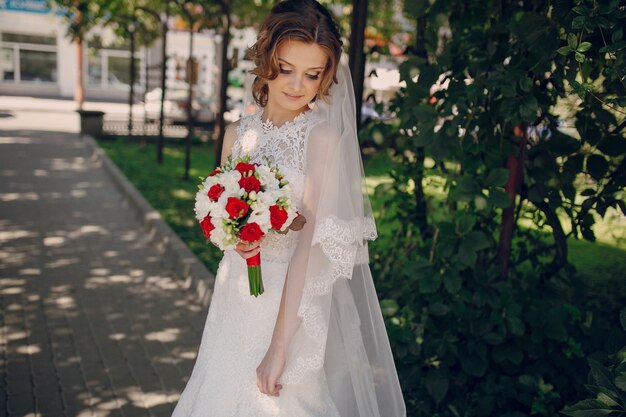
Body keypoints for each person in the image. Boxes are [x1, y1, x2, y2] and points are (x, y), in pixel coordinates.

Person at [172, 1, 406, 416]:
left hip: (287, 305)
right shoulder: (236, 134)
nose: (298, 85)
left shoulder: (321, 139)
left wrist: (280, 345)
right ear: (266, 62)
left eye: (312, 74)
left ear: (327, 75)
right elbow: (221, 219)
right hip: (235, 297)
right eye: (286, 68)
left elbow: (310, 247)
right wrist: (235, 239)